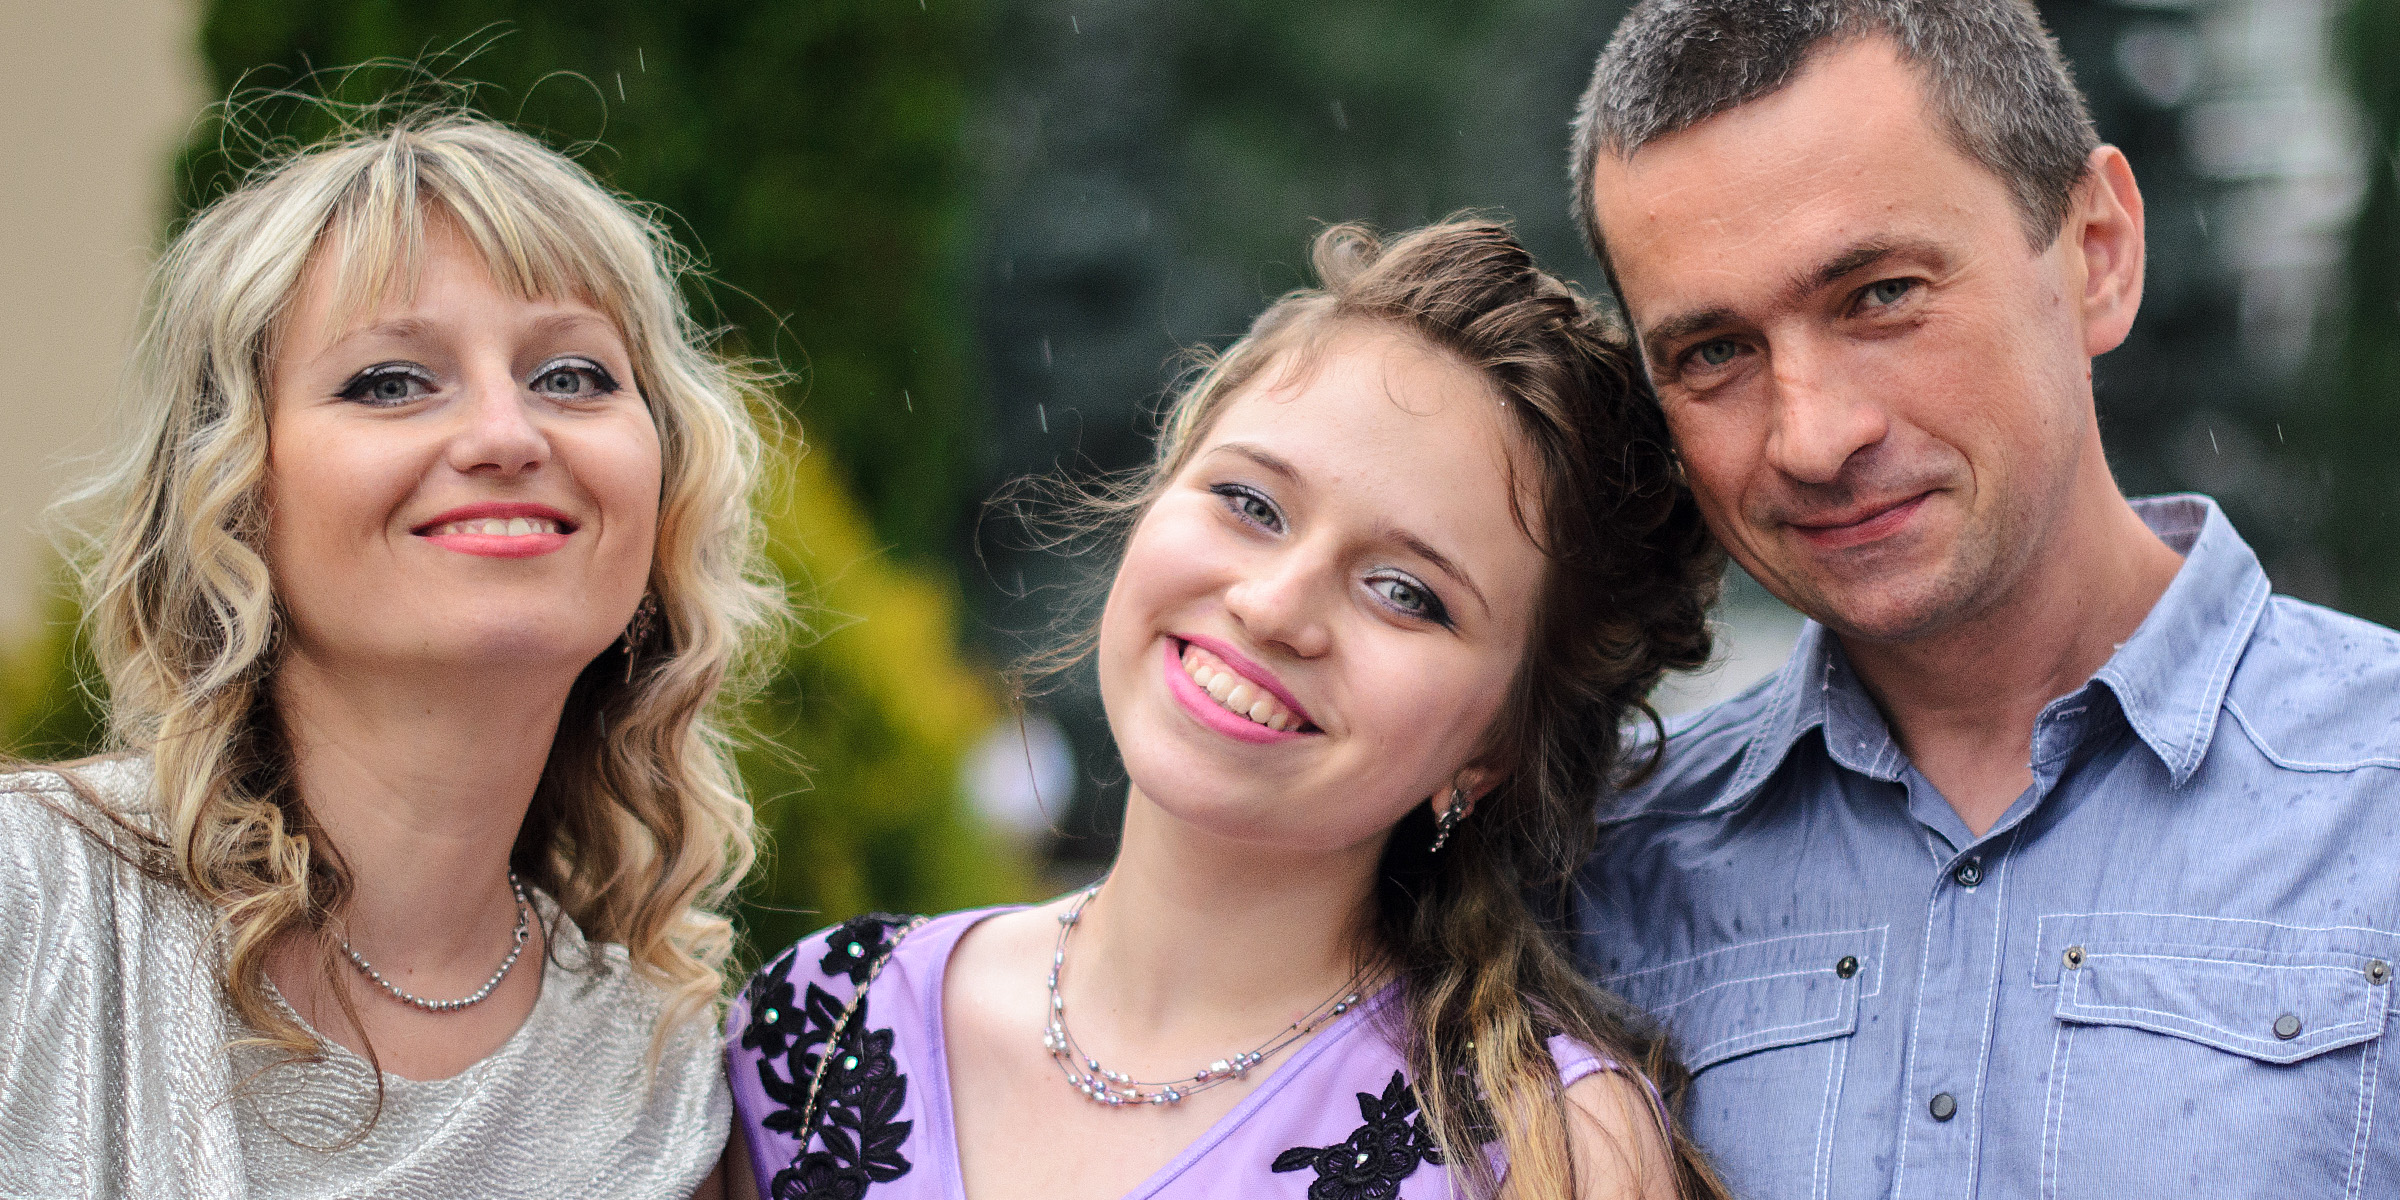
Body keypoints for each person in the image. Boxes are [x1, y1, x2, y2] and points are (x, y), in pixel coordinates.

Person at [1567, 1, 2400, 1196]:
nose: (1812, 436)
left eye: (1880, 295)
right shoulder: (1604, 879)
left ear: (2098, 251)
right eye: (1712, 354)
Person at [725, 219, 1729, 1200]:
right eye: (1251, 503)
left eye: (1405, 591)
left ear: (1497, 744)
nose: (1275, 605)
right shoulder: (821, 1024)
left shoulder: (1546, 1154)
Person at [0, 110, 779, 1197]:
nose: (509, 434)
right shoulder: (31, 899)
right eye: (390, 382)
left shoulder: (658, 1085)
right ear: (233, 497)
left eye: (572, 375)